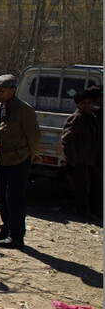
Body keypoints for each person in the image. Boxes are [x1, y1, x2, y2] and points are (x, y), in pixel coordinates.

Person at [0, 74, 41, 249]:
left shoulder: (24, 110)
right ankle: (6, 229)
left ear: (13, 90)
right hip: (2, 159)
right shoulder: (2, 108)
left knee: (14, 199)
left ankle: (16, 236)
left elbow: (34, 137)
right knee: (2, 197)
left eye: (2, 90)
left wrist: (28, 157)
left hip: (18, 160)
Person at [61, 90, 102, 218]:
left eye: (90, 103)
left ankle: (94, 210)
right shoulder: (77, 118)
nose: (87, 105)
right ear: (78, 105)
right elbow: (67, 138)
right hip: (79, 159)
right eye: (84, 103)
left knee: (97, 183)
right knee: (82, 187)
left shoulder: (92, 117)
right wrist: (71, 158)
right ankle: (82, 211)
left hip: (90, 158)